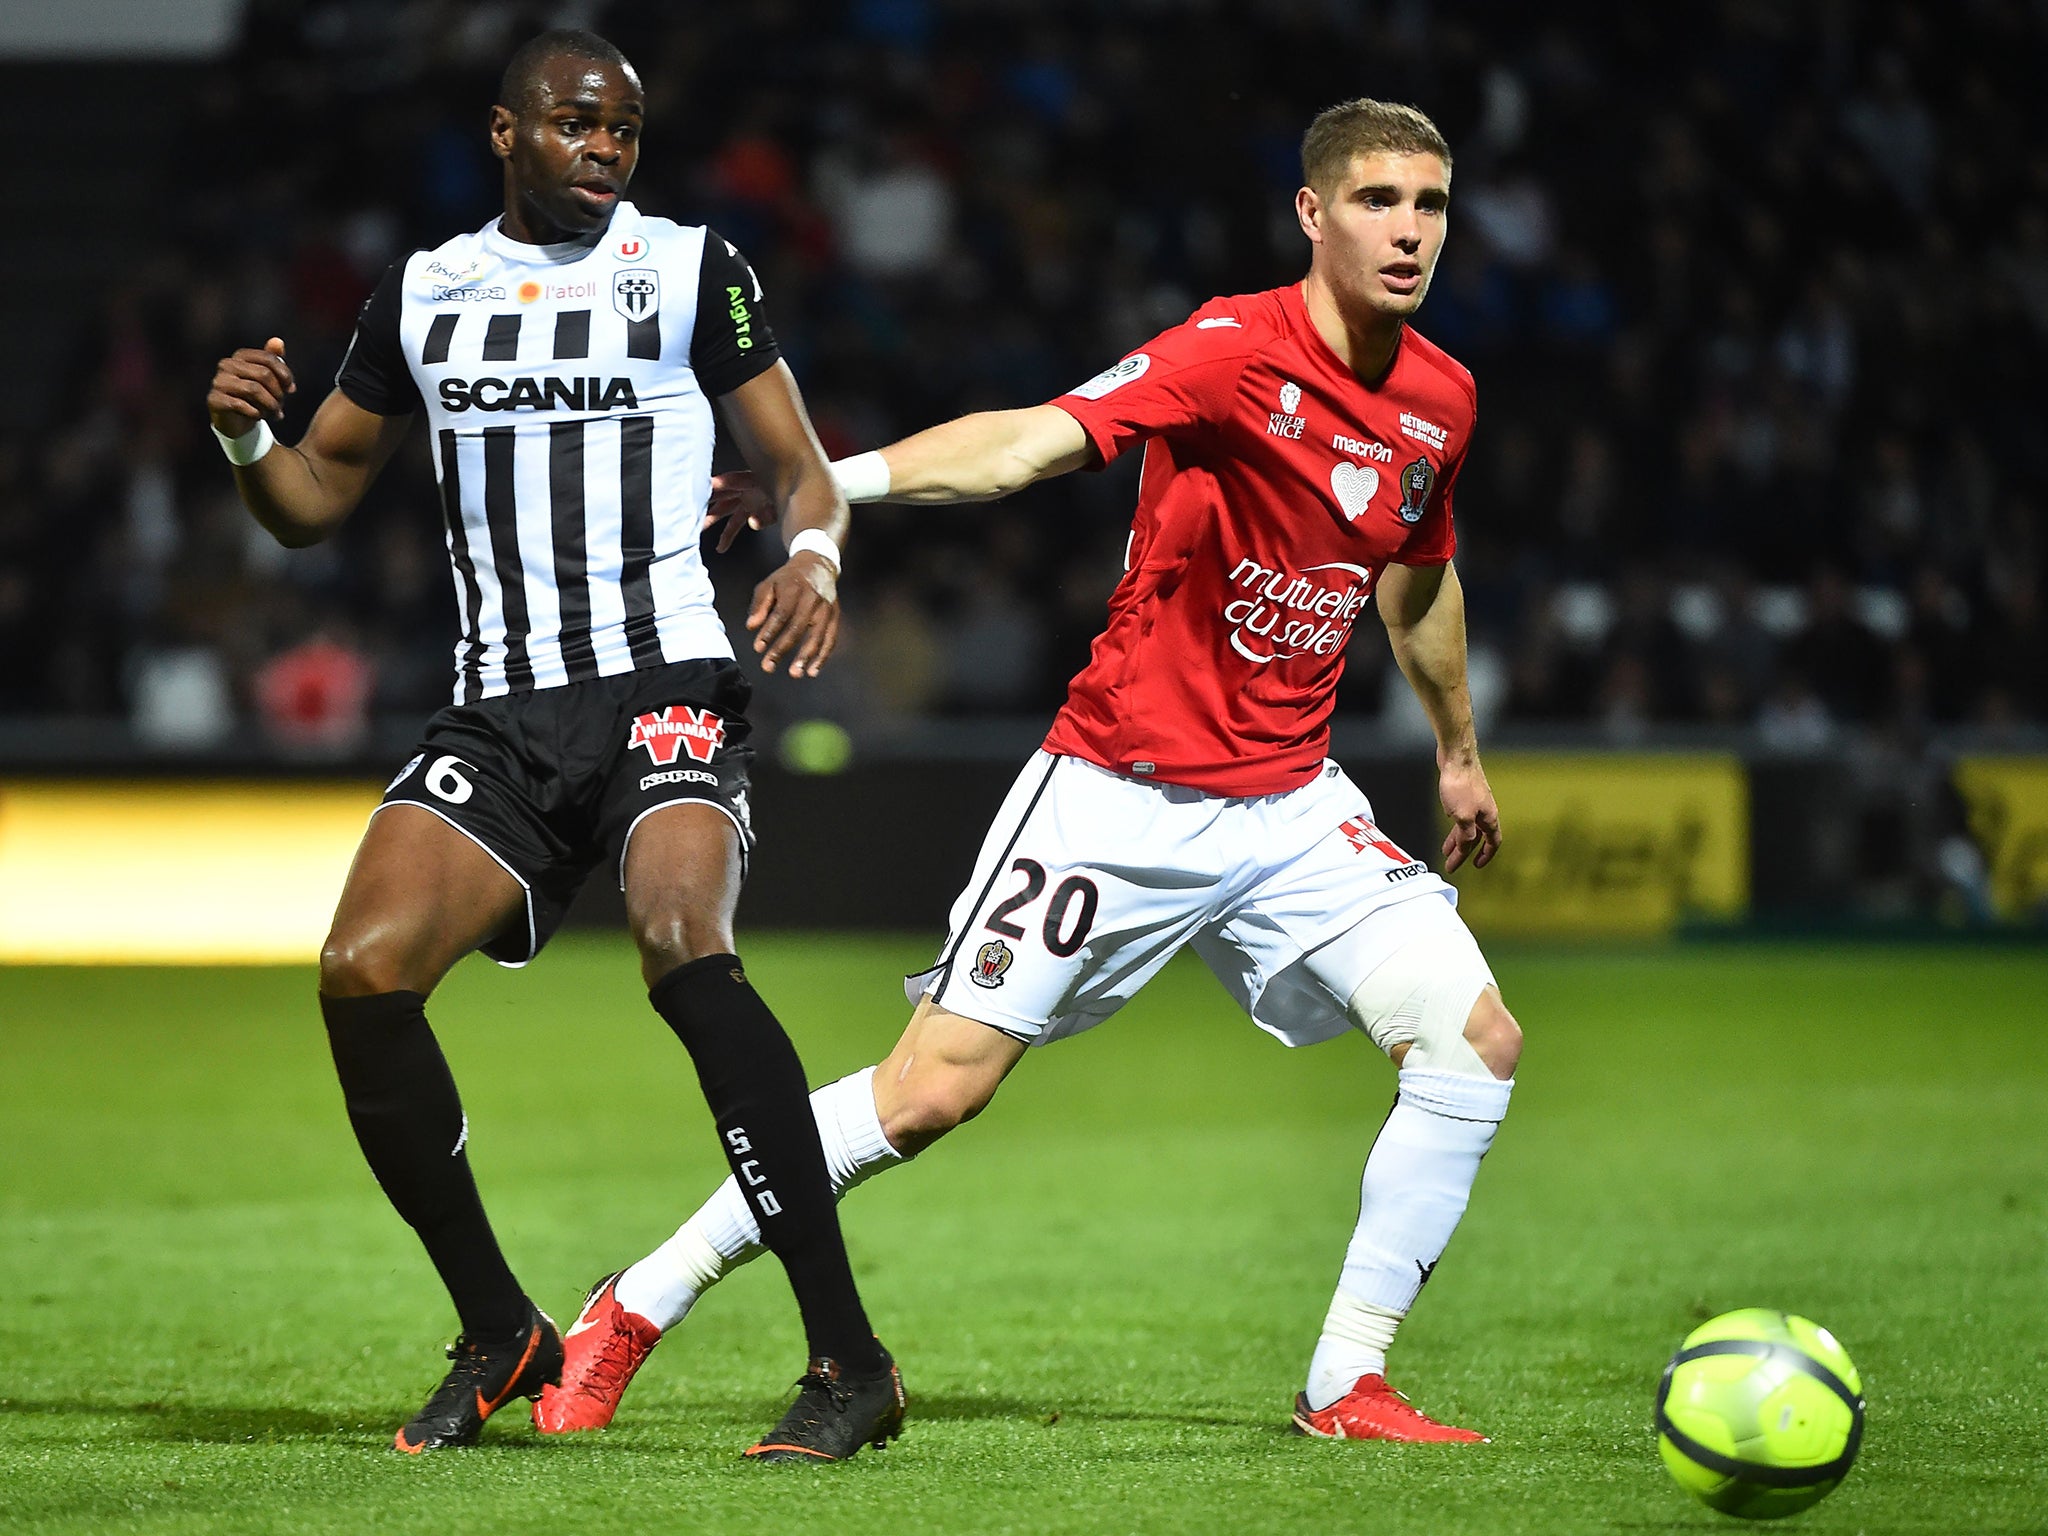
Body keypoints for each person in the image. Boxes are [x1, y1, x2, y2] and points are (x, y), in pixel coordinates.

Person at [537, 97, 1519, 1445]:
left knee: (1474, 1047)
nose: (1409, 232)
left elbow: (1416, 583)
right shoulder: (1231, 351)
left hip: (1293, 807)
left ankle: (1346, 1378)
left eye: (1430, 206)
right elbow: (1023, 442)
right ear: (1313, 212)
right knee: (928, 1092)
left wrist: (1458, 756)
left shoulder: (1440, 399)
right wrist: (829, 482)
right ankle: (635, 1303)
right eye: (1378, 202)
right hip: (1121, 794)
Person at [203, 29, 904, 1461]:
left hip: (664, 680)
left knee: (681, 945)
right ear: (507, 131)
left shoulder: (690, 270)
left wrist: (815, 558)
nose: (605, 150)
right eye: (579, 125)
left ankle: (850, 1360)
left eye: (626, 134)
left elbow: (799, 464)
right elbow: (315, 493)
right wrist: (239, 442)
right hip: (502, 715)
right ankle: (498, 1328)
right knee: (361, 974)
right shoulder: (423, 295)